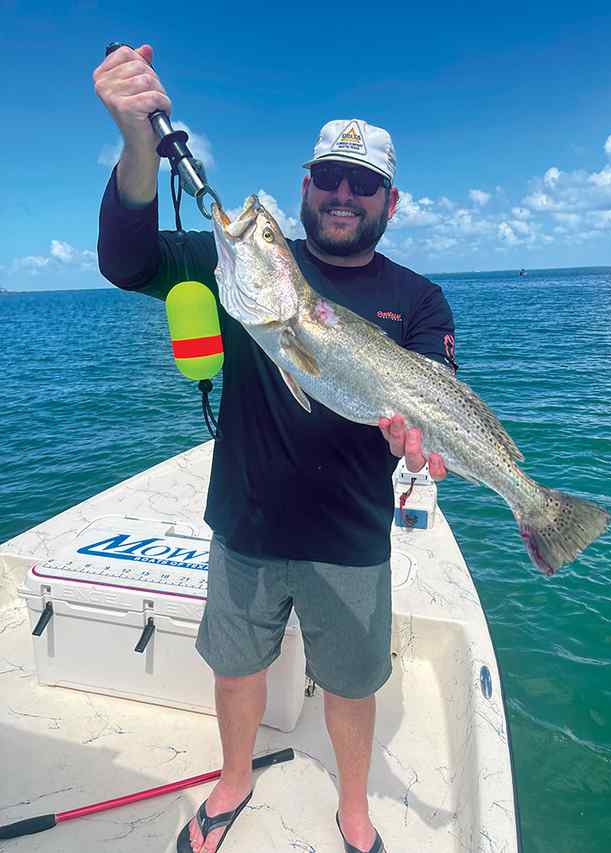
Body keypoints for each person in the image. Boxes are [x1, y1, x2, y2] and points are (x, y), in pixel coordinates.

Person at [94, 44, 456, 853]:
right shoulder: (246, 269)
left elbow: (433, 385)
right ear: (305, 186)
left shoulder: (418, 298)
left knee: (353, 685)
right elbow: (127, 260)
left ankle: (353, 806)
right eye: (328, 176)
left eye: (363, 183)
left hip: (351, 538)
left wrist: (417, 432)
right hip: (245, 527)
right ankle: (233, 778)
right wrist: (136, 147)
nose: (342, 193)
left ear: (389, 201)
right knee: (235, 666)